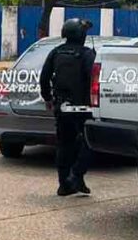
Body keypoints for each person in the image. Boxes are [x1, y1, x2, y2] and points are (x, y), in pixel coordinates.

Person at [39, 18, 96, 197]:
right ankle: (76, 175)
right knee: (90, 142)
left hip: (62, 105)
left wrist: (48, 97)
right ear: (82, 35)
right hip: (83, 107)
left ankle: (64, 184)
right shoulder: (87, 55)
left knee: (65, 144)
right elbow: (94, 80)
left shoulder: (56, 52)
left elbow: (44, 77)